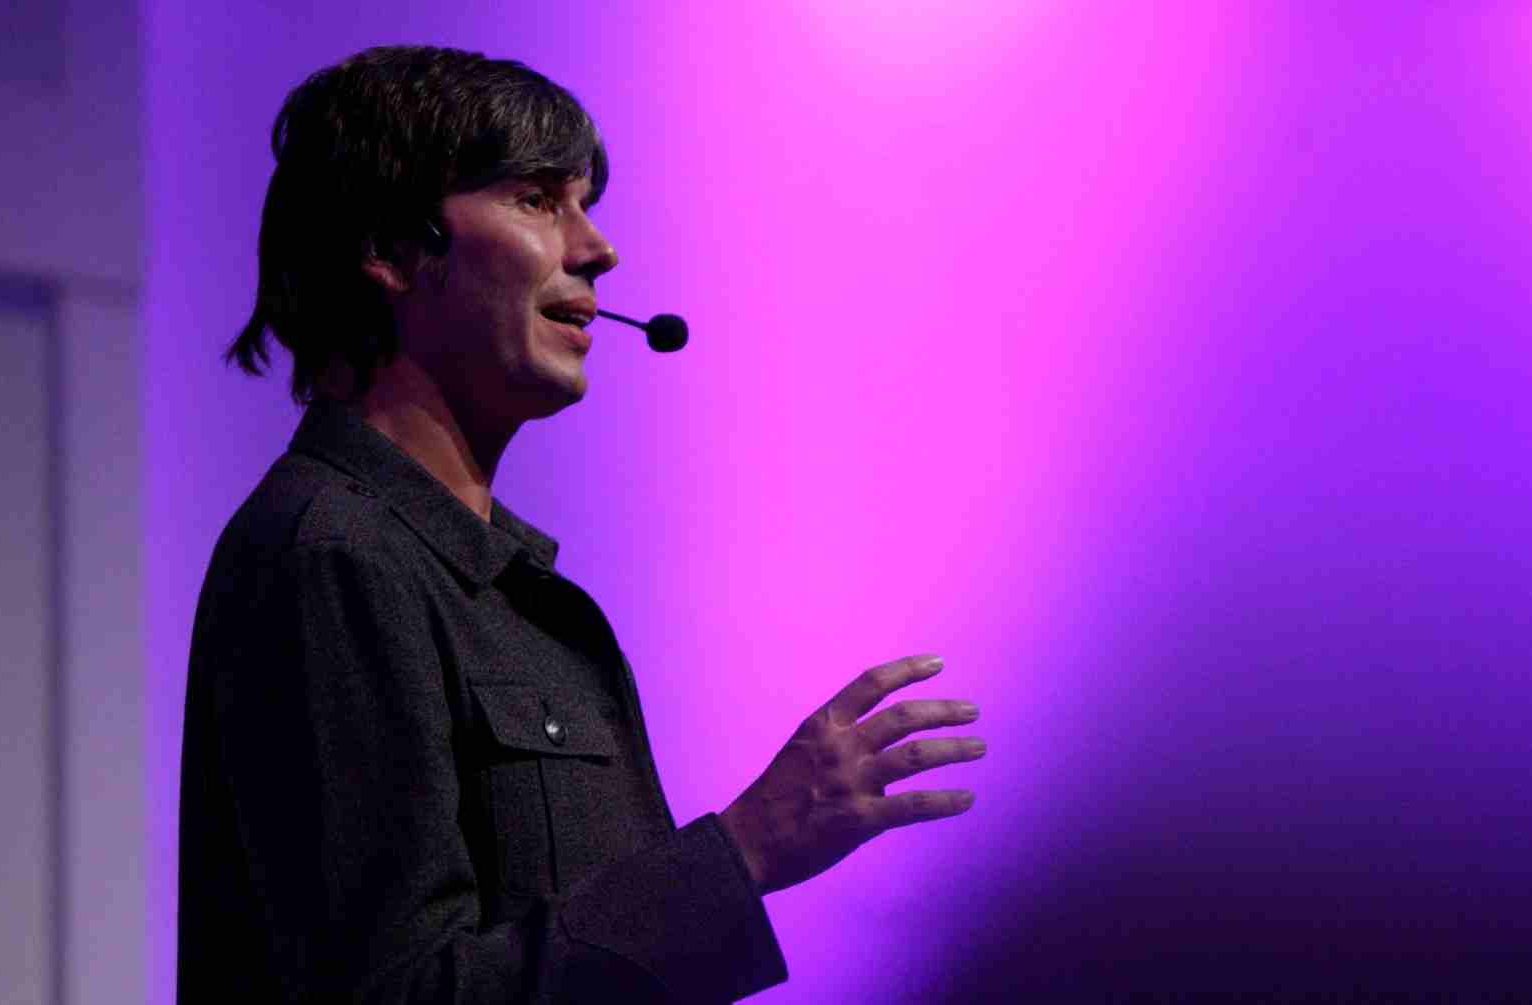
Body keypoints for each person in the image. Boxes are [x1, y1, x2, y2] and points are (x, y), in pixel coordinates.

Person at [177, 45, 986, 1004]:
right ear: (392, 249)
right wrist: (744, 849)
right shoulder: (334, 557)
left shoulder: (506, 593)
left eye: (585, 203)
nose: (598, 248)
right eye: (535, 199)